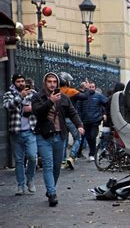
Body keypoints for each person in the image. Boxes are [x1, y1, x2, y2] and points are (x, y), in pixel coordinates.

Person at [31, 72, 84, 207]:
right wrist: (50, 101)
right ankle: (52, 194)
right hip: (43, 136)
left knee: (56, 166)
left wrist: (79, 125)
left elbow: (72, 112)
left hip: (60, 136)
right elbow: (38, 112)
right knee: (48, 165)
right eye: (49, 81)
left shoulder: (64, 97)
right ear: (45, 83)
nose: (52, 84)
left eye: (54, 82)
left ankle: (51, 189)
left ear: (58, 83)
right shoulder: (38, 97)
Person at [2, 73, 38, 195]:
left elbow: (40, 107)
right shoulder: (8, 94)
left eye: (22, 81)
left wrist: (32, 108)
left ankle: (30, 180)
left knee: (33, 157)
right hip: (16, 132)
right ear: (14, 83)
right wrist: (20, 97)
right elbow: (7, 106)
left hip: (30, 131)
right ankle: (20, 185)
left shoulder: (33, 93)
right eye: (18, 81)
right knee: (19, 160)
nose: (21, 83)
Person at [59, 72, 88, 169]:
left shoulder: (56, 92)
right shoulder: (71, 91)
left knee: (64, 140)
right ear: (66, 81)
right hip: (71, 119)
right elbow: (84, 97)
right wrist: (86, 88)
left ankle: (62, 161)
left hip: (60, 119)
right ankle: (71, 156)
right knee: (78, 138)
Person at [78, 81, 108, 162]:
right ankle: (92, 152)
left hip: (95, 120)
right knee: (88, 137)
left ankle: (92, 153)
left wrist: (104, 114)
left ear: (95, 87)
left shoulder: (99, 96)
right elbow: (79, 107)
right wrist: (80, 118)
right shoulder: (83, 96)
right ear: (88, 88)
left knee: (92, 136)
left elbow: (106, 104)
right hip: (85, 120)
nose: (91, 88)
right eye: (90, 87)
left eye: (93, 87)